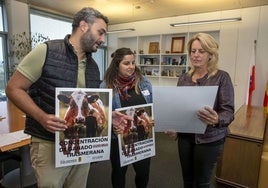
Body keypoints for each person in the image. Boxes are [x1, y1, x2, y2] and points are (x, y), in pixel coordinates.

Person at [5, 7, 131, 187]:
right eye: (100, 32)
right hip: (48, 141)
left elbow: (86, 104)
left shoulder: (93, 67)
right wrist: (41, 117)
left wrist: (109, 116)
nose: (103, 40)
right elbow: (13, 88)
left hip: (82, 143)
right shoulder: (46, 51)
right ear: (83, 26)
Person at [166, 33, 235, 188]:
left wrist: (217, 119)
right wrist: (175, 128)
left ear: (210, 54)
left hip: (210, 139)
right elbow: (179, 109)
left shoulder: (221, 77)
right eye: (193, 51)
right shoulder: (183, 78)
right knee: (187, 181)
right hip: (185, 138)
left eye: (201, 51)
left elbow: (228, 111)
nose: (196, 55)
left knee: (202, 182)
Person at [100, 47, 153, 188]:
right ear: (117, 65)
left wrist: (152, 118)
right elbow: (102, 116)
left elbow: (151, 107)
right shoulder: (106, 86)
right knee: (119, 172)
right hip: (118, 139)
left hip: (142, 138)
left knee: (143, 173)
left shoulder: (144, 82)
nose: (131, 67)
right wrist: (112, 126)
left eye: (133, 63)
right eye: (126, 63)